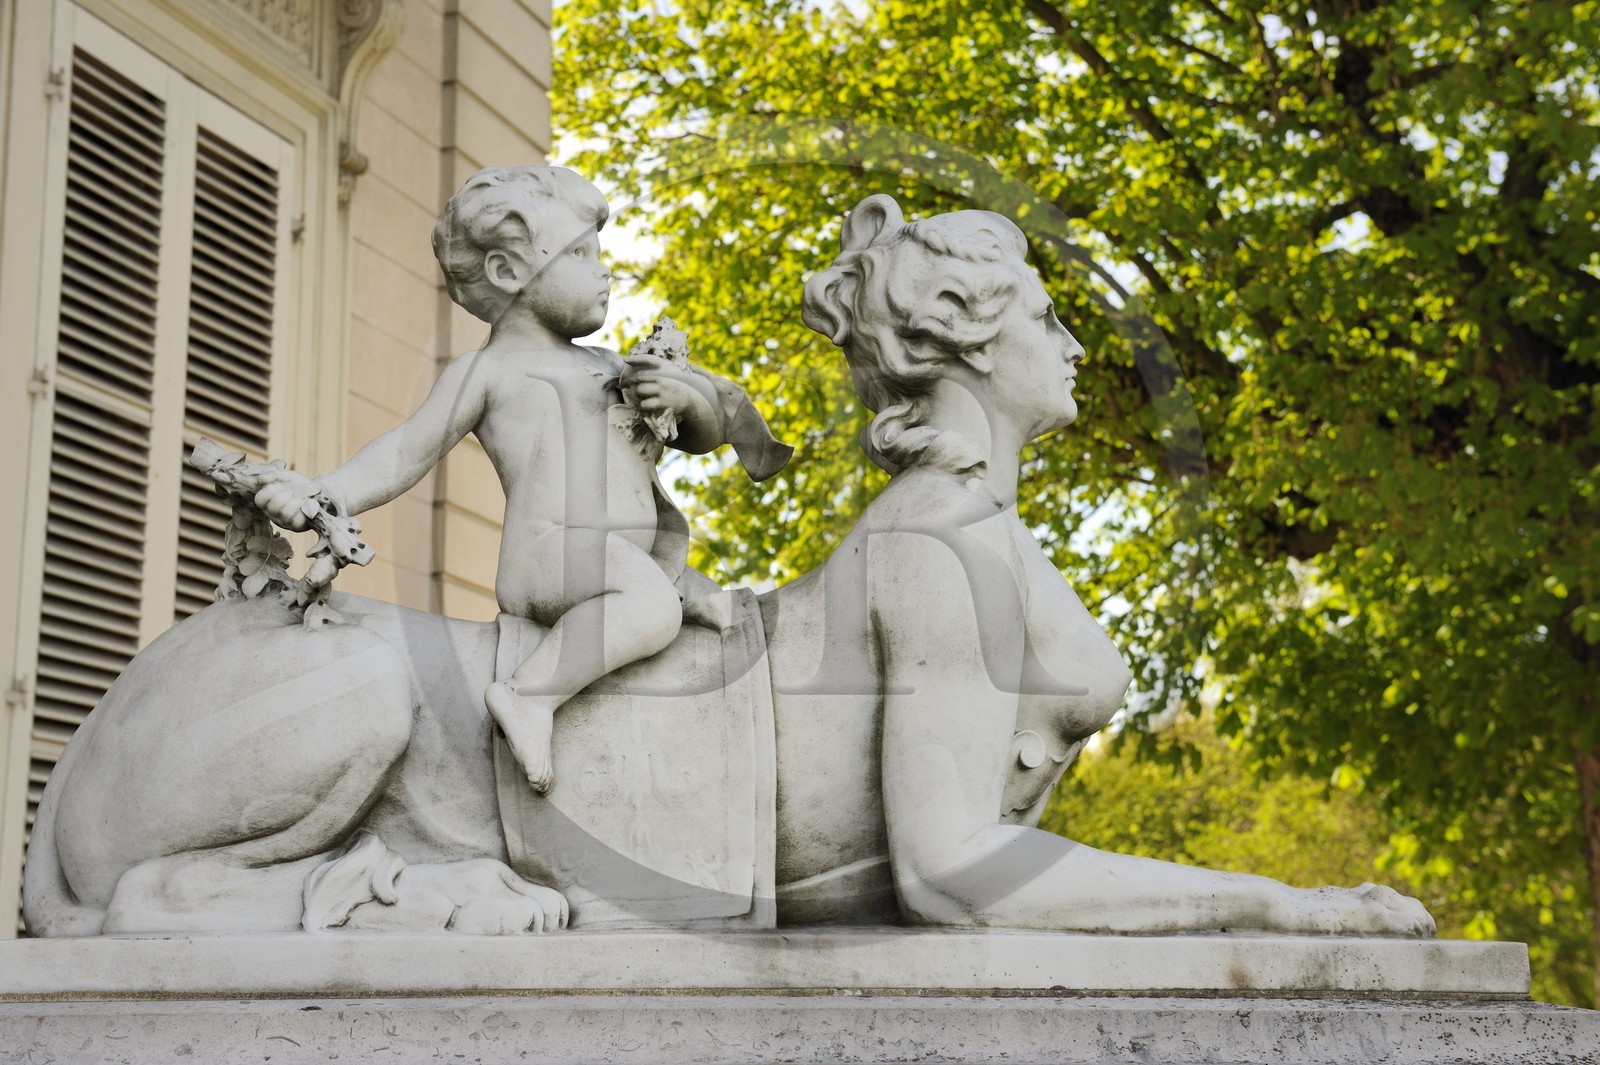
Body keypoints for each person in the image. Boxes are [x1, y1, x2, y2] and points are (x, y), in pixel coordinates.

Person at [764, 194, 1434, 936]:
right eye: (1047, 320)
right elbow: (951, 875)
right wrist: (1268, 903)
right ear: (964, 333)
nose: (1075, 346)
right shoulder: (935, 532)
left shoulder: (979, 519)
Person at [257, 166, 789, 795]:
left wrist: (683, 397)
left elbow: (699, 434)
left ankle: (673, 597)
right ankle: (530, 698)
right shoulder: (488, 372)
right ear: (510, 272)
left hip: (621, 560)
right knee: (647, 606)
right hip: (552, 557)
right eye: (581, 254)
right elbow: (403, 452)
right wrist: (323, 494)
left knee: (683, 598)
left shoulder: (611, 367)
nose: (604, 271)